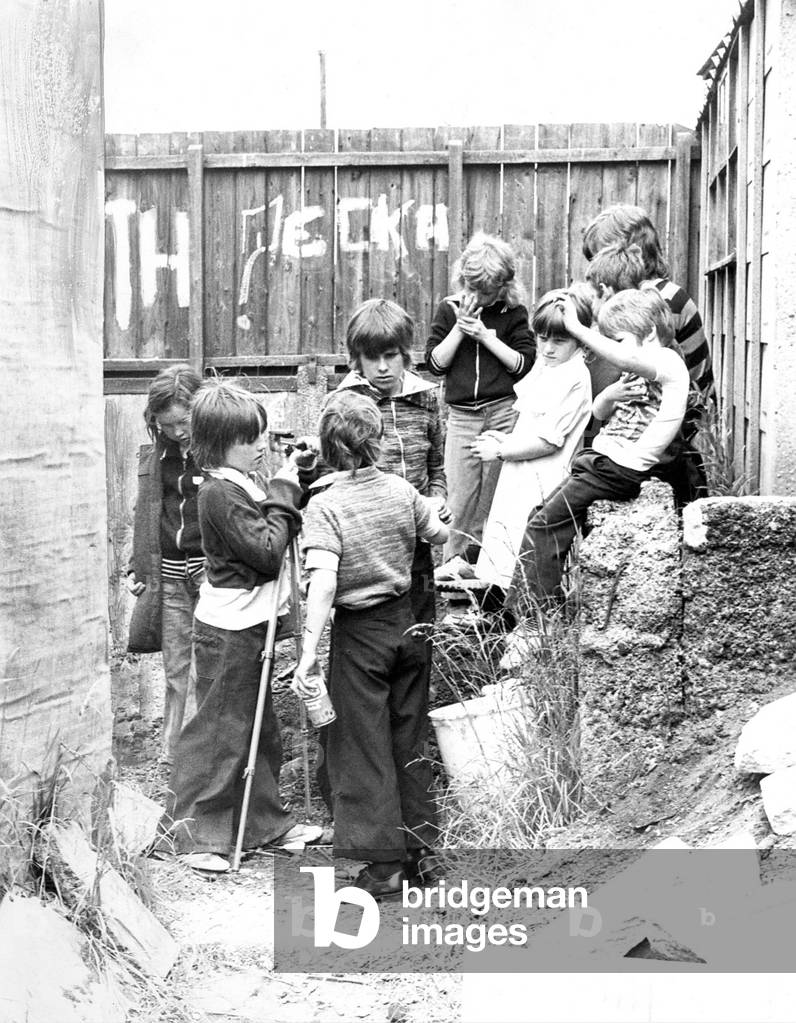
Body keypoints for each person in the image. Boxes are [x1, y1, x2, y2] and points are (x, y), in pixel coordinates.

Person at [294, 391, 448, 899]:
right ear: (378, 440)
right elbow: (439, 536)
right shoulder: (402, 489)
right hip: (408, 625)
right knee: (409, 736)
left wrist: (310, 649)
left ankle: (384, 868)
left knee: (363, 745)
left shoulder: (325, 506)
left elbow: (324, 582)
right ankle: (424, 854)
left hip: (360, 634)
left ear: (326, 449)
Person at [169, 380, 319, 873]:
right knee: (220, 734)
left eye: (261, 437)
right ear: (218, 445)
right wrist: (282, 489)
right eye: (251, 440)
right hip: (227, 631)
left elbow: (277, 520)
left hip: (253, 626)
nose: (261, 446)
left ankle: (263, 824)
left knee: (260, 728)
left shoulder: (244, 484)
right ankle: (194, 836)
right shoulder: (217, 493)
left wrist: (295, 479)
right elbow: (266, 552)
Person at [507, 286, 689, 617]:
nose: (612, 352)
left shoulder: (668, 362)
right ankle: (533, 608)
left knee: (543, 525)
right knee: (540, 514)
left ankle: (536, 618)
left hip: (620, 469)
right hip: (601, 463)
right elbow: (599, 412)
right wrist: (613, 393)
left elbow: (625, 357)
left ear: (648, 333)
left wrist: (578, 328)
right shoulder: (635, 367)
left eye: (617, 340)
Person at [335, 298, 450, 650]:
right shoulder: (344, 403)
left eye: (391, 356)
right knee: (372, 639)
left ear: (405, 354)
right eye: (372, 358)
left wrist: (440, 497)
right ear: (357, 358)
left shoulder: (427, 399)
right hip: (367, 550)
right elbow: (332, 477)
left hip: (416, 541)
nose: (383, 368)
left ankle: (415, 702)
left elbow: (437, 467)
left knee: (420, 628)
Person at [467, 287, 593, 595]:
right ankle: (500, 609)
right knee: (504, 542)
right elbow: (532, 423)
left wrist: (501, 450)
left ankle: (528, 616)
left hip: (544, 477)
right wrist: (507, 438)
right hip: (521, 471)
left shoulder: (575, 377)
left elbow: (549, 441)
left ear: (580, 340)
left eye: (559, 340)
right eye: (542, 338)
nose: (548, 348)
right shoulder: (549, 368)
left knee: (525, 547)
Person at [425, 233, 534, 570]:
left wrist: (486, 337)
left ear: (503, 286)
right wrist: (459, 329)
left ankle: (492, 568)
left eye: (487, 292)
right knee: (459, 495)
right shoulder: (449, 308)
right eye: (473, 289)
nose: (479, 298)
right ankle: (452, 566)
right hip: (462, 416)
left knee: (497, 494)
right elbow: (435, 364)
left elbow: (523, 365)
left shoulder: (513, 312)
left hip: (503, 412)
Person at [127, 364, 204, 766]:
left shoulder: (219, 450)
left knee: (210, 671)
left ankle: (211, 760)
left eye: (184, 422)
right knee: (177, 672)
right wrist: (135, 565)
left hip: (213, 580)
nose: (178, 432)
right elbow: (145, 514)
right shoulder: (157, 457)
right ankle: (177, 765)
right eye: (168, 425)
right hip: (170, 581)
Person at [582, 204, 715, 404]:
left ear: (633, 253)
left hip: (684, 422)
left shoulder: (661, 299)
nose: (595, 267)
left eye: (602, 257)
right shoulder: (645, 295)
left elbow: (610, 372)